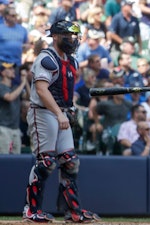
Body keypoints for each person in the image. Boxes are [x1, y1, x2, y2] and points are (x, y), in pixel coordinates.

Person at [23, 20, 100, 223]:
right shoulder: (46, 58)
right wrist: (59, 113)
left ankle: (73, 212)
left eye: (74, 36)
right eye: (67, 35)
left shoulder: (72, 60)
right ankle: (31, 211)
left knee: (70, 161)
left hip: (62, 113)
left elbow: (65, 90)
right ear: (55, 36)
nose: (72, 40)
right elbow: (41, 89)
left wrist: (70, 108)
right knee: (46, 162)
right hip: (44, 112)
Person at [0, 61, 29, 154]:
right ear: (3, 72)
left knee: (16, 159)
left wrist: (25, 81)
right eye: (10, 69)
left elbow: (29, 97)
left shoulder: (15, 87)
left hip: (16, 128)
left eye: (13, 68)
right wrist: (22, 83)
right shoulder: (1, 86)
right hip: (3, 128)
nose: (13, 70)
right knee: (4, 159)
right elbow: (9, 97)